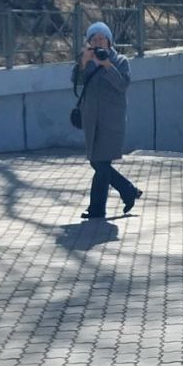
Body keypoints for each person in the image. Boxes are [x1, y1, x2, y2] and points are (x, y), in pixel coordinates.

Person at [72, 22, 141, 220]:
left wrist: (107, 66)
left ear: (109, 41)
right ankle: (107, 203)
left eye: (102, 38)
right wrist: (83, 64)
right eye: (94, 39)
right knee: (98, 162)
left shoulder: (120, 60)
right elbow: (76, 83)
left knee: (100, 162)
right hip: (91, 119)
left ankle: (115, 197)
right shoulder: (87, 60)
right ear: (89, 42)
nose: (98, 42)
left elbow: (122, 85)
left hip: (112, 120)